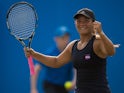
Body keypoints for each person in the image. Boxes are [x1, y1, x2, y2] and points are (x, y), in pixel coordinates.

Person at [24, 8, 116, 93]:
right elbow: (56, 61)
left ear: (94, 23)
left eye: (86, 21)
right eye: (79, 21)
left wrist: (101, 33)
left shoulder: (97, 41)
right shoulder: (73, 45)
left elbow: (111, 52)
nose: (82, 24)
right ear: (75, 23)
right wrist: (34, 54)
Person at [30, 26, 76, 93]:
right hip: (50, 85)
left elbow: (75, 69)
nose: (66, 40)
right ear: (56, 39)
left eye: (67, 37)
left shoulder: (71, 53)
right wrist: (33, 89)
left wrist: (74, 82)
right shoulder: (50, 53)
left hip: (64, 86)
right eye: (63, 38)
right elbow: (36, 69)